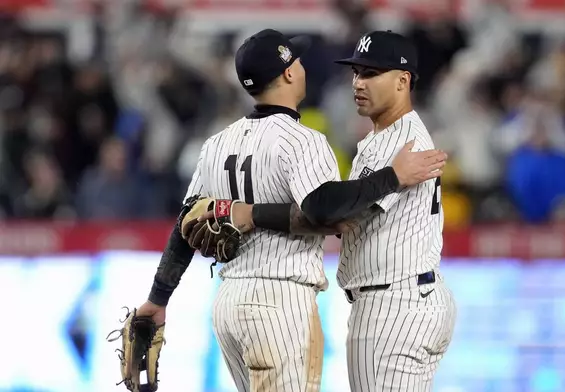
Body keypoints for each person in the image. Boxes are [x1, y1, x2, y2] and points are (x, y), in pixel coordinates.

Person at [131, 29, 447, 392]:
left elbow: (187, 222)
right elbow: (322, 211)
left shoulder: (216, 144)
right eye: (297, 61)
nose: (357, 81)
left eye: (368, 73)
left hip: (229, 301)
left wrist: (158, 298)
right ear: (290, 74)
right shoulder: (304, 140)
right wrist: (391, 176)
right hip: (281, 302)